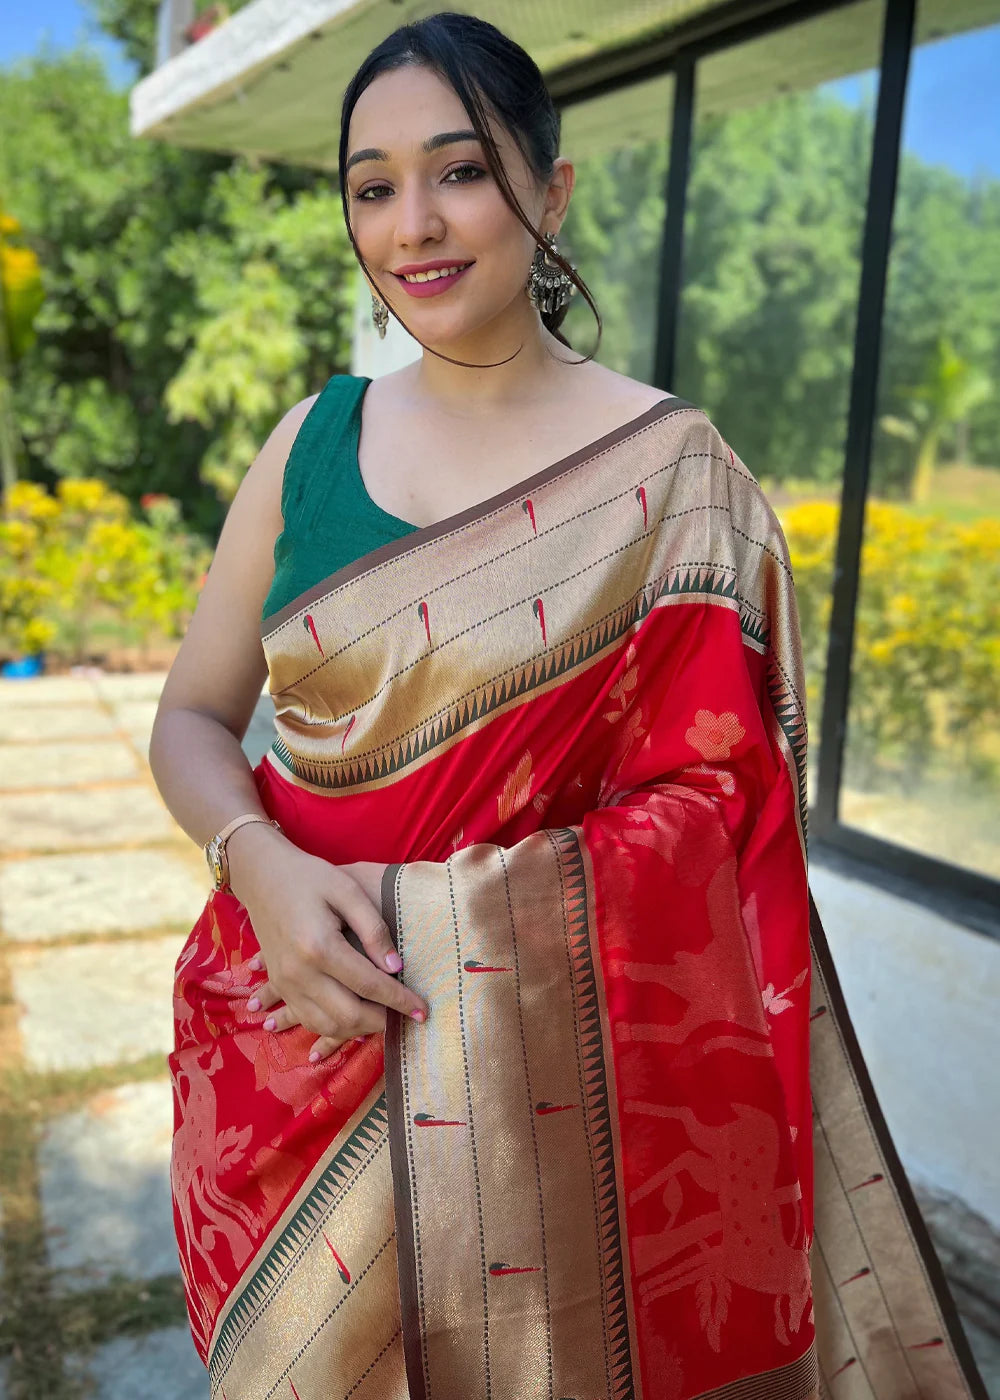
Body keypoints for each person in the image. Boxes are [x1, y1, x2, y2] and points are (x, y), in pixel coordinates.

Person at [149, 13, 986, 1400]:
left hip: (547, 1116)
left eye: (459, 170)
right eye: (371, 185)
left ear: (550, 188)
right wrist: (267, 870)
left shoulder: (671, 478)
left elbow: (725, 817)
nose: (412, 222)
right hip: (288, 1048)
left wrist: (464, 928)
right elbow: (191, 720)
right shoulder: (309, 446)